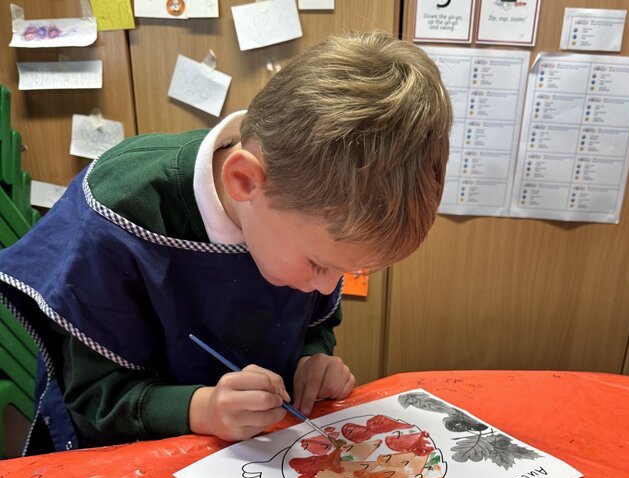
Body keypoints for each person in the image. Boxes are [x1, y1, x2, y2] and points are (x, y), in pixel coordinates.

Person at [0, 31, 452, 455]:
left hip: (253, 454)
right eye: (318, 264)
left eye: (345, 271)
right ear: (244, 180)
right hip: (130, 458)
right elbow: (92, 399)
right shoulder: (118, 216)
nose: (326, 286)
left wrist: (313, 359)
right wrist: (201, 409)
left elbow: (315, 323)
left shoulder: (297, 212)